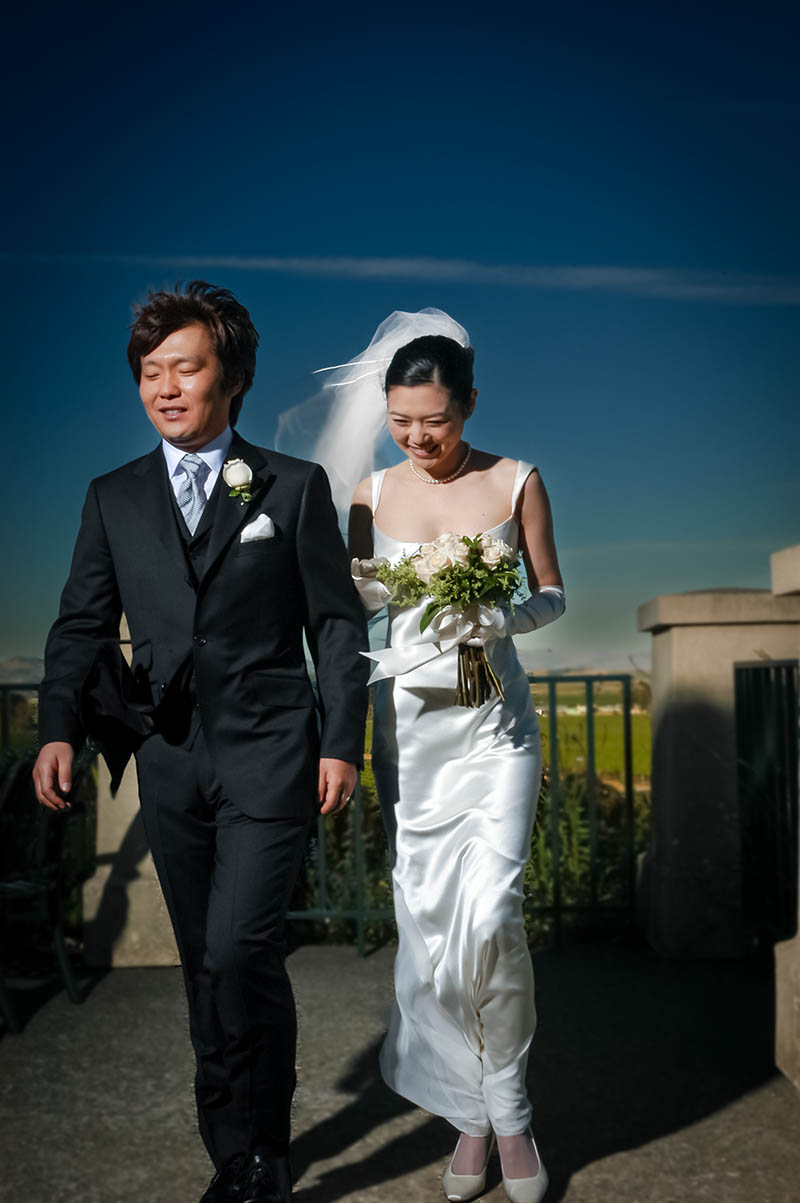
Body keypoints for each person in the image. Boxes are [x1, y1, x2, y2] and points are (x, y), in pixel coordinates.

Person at [33, 281, 369, 1203]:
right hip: (168, 761)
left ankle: (263, 1145)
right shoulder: (112, 497)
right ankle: (239, 1155)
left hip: (272, 752)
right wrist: (56, 727)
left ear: (232, 376)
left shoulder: (292, 488)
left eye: (187, 366)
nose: (166, 385)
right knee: (202, 964)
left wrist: (342, 741)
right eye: (151, 371)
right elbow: (79, 626)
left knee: (237, 948)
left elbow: (336, 627)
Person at [343, 311, 565, 1203]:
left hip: (495, 730)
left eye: (434, 418)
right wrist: (394, 592)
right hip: (411, 734)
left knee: (492, 915)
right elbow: (353, 602)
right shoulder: (366, 493)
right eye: (401, 419)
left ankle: (509, 1112)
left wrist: (497, 614)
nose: (418, 436)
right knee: (432, 933)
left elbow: (551, 593)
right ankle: (466, 1113)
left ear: (469, 405)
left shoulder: (517, 481)